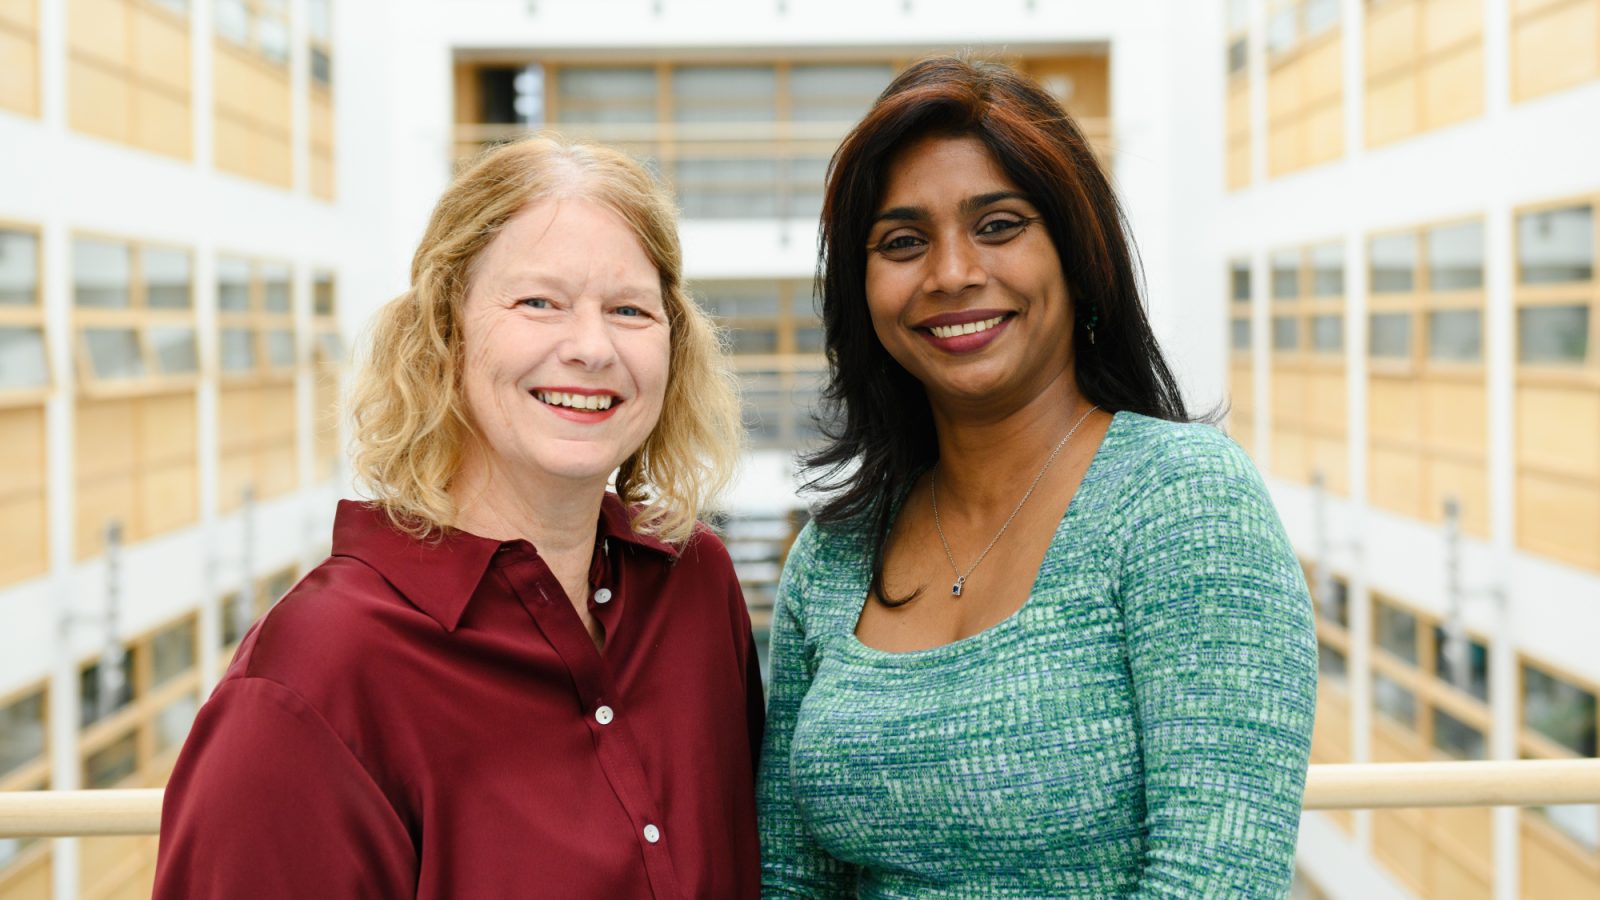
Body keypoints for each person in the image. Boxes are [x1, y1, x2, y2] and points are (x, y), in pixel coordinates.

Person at [758, 57, 1317, 897]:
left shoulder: (1182, 501)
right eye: (903, 242)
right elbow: (788, 879)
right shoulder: (834, 556)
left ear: (1078, 256)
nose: (951, 273)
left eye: (998, 225)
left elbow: (1216, 876)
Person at [154, 137, 763, 899]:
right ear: (447, 330)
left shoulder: (695, 585)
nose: (592, 347)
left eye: (630, 309)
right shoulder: (312, 679)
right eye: (539, 302)